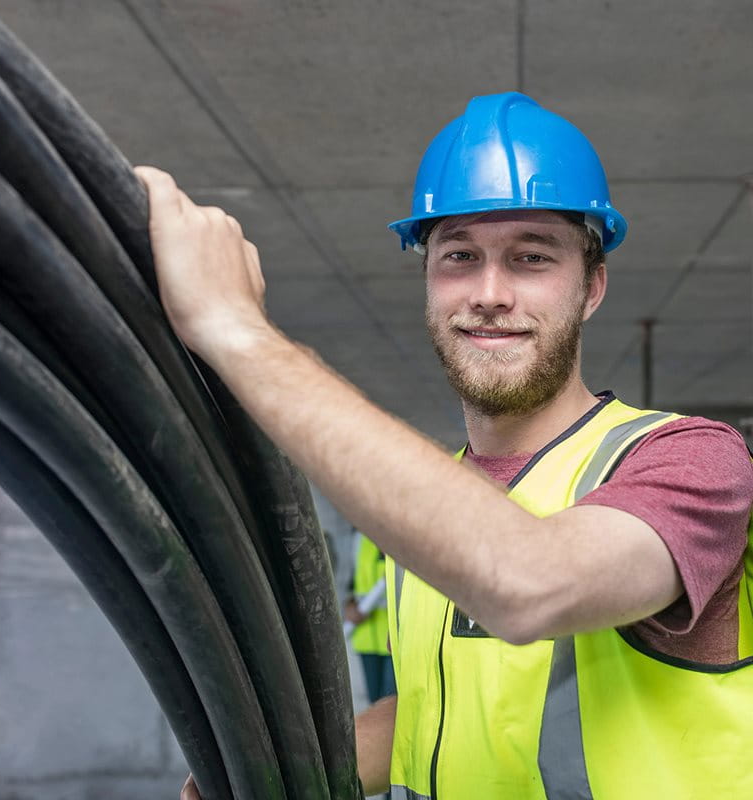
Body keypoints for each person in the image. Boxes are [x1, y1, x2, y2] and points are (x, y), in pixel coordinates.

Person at [137, 91, 753, 800]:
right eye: (459, 254)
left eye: (531, 258)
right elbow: (440, 708)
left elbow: (531, 584)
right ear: (428, 280)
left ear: (592, 288)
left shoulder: (689, 459)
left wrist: (236, 330)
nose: (490, 292)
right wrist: (269, 778)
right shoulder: (435, 496)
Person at [344, 531, 396, 704]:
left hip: (393, 638)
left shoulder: (399, 539)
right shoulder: (360, 538)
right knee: (373, 706)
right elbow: (352, 579)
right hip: (365, 636)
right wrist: (349, 603)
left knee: (390, 706)